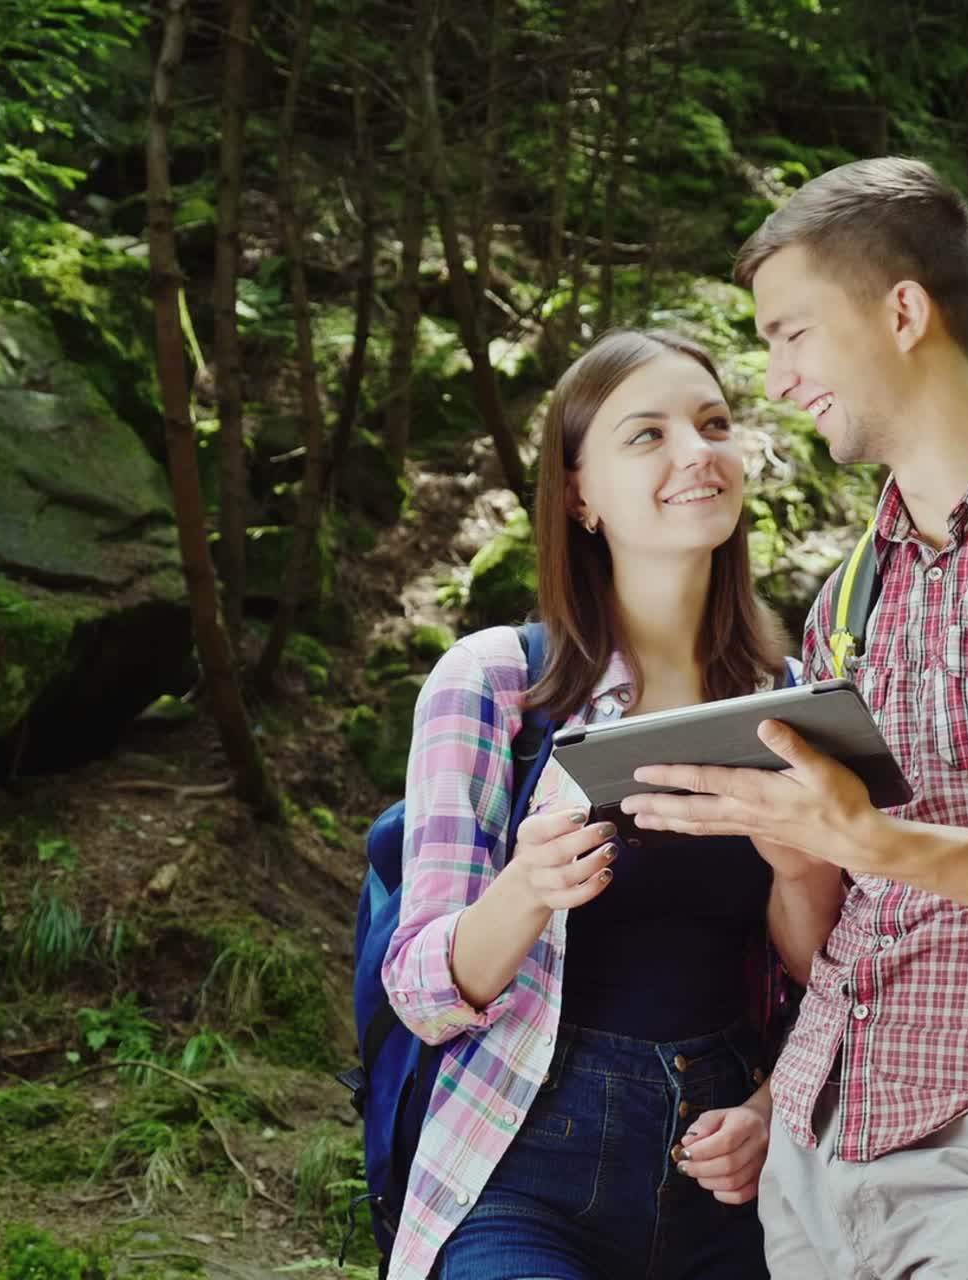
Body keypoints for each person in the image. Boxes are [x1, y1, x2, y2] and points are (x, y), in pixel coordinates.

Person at [619, 157, 968, 1279]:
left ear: (901, 309)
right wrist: (794, 852)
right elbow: (824, 945)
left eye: (790, 335)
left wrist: (873, 840)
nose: (776, 380)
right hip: (816, 1176)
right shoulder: (851, 597)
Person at [380, 329, 804, 1280]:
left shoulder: (799, 701)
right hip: (526, 1162)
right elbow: (421, 993)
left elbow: (842, 978)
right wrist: (528, 888)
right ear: (579, 496)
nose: (697, 452)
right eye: (646, 435)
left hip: (736, 1176)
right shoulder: (496, 684)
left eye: (713, 424)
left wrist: (773, 1106)